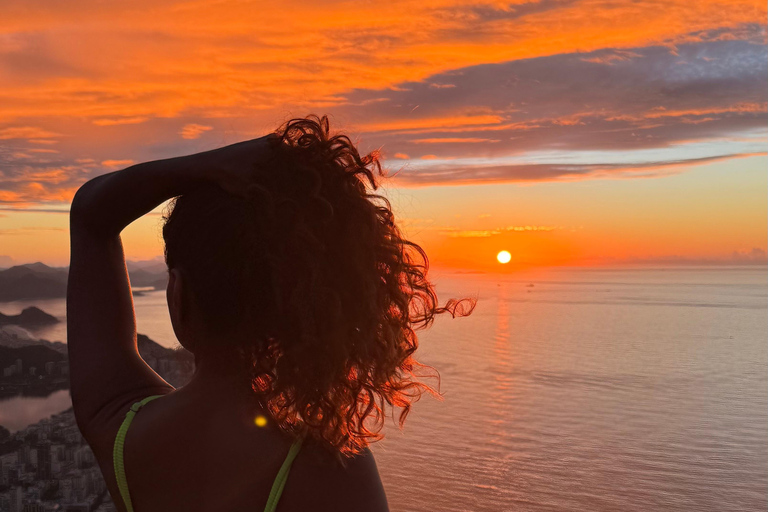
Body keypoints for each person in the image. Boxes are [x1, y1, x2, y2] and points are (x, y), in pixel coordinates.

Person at [67, 114, 474, 512]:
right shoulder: (331, 473)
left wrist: (204, 165)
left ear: (180, 298)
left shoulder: (117, 425)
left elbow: (91, 215)